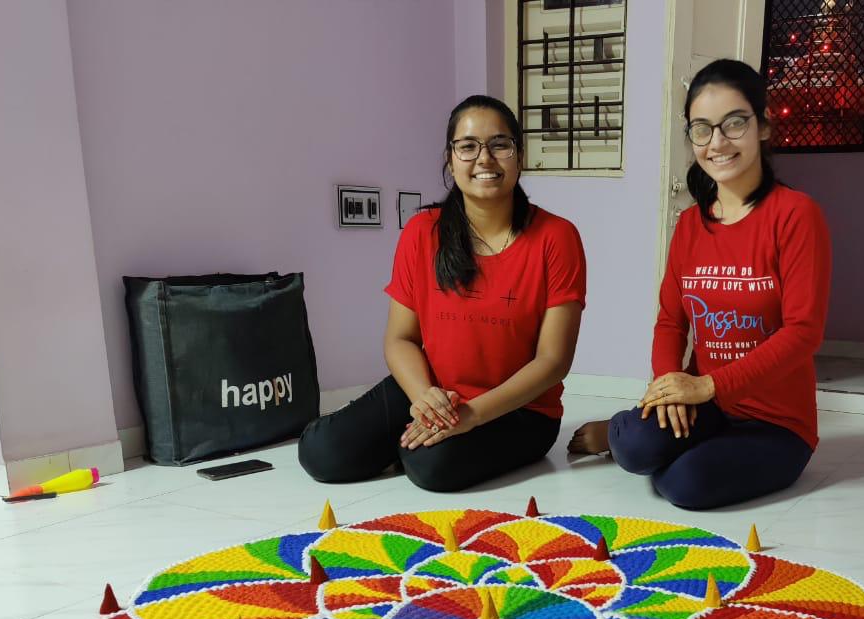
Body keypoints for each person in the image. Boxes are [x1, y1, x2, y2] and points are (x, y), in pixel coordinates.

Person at [568, 59, 831, 511]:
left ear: (763, 126)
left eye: (733, 124)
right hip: (703, 404)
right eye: (702, 129)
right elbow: (671, 321)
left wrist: (707, 387)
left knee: (685, 486)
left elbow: (803, 332)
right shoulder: (691, 224)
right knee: (634, 448)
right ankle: (624, 432)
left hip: (777, 423)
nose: (717, 143)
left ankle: (668, 448)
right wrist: (670, 384)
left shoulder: (795, 214)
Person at [299, 95, 586, 492]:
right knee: (321, 452)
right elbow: (399, 339)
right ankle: (414, 433)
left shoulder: (557, 237)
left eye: (499, 145)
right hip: (432, 389)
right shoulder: (422, 232)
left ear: (519, 156)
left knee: (432, 465)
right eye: (467, 147)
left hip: (520, 411)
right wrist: (424, 398)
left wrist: (471, 415)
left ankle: (413, 442)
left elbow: (553, 361)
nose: (484, 159)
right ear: (450, 160)